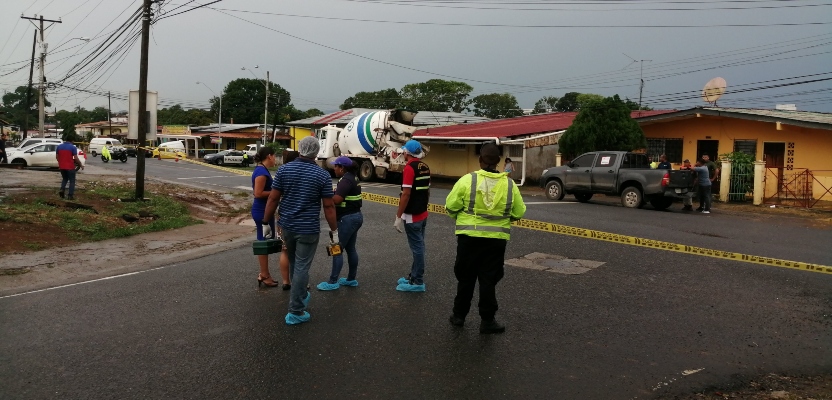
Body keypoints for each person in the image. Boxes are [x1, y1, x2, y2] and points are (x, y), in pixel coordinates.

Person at [445, 143, 526, 334]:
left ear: (480, 160)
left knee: (466, 278)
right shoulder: (509, 184)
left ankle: (458, 317)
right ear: (498, 162)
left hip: (468, 238)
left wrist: (463, 216)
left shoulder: (467, 180)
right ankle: (488, 321)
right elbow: (519, 212)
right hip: (496, 240)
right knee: (488, 280)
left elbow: (451, 206)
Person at [263, 136, 338, 325]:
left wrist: (266, 222)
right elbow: (329, 206)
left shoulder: (284, 170)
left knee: (296, 263)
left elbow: (272, 199)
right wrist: (334, 230)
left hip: (287, 226)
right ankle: (296, 309)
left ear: (300, 149)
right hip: (308, 229)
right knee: (302, 267)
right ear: (316, 152)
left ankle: (301, 296)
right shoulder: (322, 175)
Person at [317, 156, 363, 291]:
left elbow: (336, 200)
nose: (334, 169)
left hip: (346, 219)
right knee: (351, 249)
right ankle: (351, 279)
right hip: (355, 217)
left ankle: (332, 281)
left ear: (342, 168)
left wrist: (325, 194)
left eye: (336, 166)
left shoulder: (345, 181)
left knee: (336, 248)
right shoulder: (353, 178)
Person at [394, 140, 431, 292]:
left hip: (412, 216)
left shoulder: (409, 168)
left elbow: (406, 193)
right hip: (422, 213)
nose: (403, 153)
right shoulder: (425, 166)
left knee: (417, 248)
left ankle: (418, 282)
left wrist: (398, 216)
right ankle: (414, 276)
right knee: (419, 246)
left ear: (407, 153)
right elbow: (427, 191)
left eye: (404, 151)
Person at [251, 146, 289, 289]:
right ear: (269, 156)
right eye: (274, 156)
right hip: (261, 211)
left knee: (265, 241)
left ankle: (265, 274)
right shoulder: (261, 171)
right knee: (263, 242)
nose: (275, 159)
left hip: (264, 210)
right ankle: (264, 275)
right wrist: (277, 192)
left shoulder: (263, 170)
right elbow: (258, 193)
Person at [277, 148, 300, 290]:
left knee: (285, 250)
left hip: (283, 215)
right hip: (301, 218)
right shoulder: (303, 173)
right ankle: (300, 282)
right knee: (300, 253)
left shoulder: (282, 172)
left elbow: (275, 196)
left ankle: (286, 281)